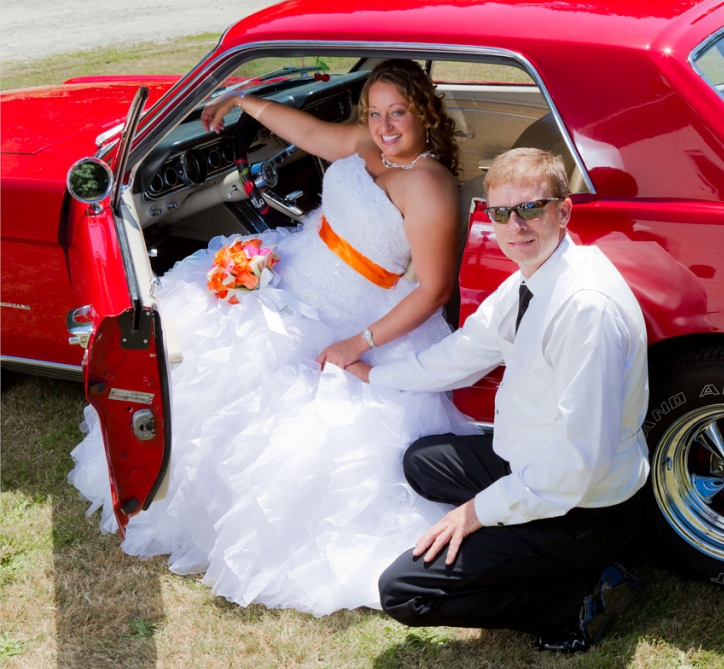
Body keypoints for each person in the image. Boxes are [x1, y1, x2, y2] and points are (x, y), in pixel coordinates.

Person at [69, 59, 481, 616]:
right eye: (376, 112)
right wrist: (245, 102)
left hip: (351, 313)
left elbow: (432, 290)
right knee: (200, 344)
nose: (385, 126)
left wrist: (356, 344)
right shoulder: (369, 145)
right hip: (293, 263)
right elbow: (312, 134)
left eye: (399, 113)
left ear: (424, 114)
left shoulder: (428, 185)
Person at [345, 147, 650, 652]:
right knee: (424, 463)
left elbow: (578, 464)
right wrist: (373, 375)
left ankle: (567, 603)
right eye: (501, 212)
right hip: (536, 458)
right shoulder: (532, 275)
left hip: (585, 506)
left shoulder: (584, 310)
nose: (516, 225)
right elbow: (466, 352)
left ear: (563, 210)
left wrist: (476, 512)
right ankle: (559, 564)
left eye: (531, 208)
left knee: (403, 593)